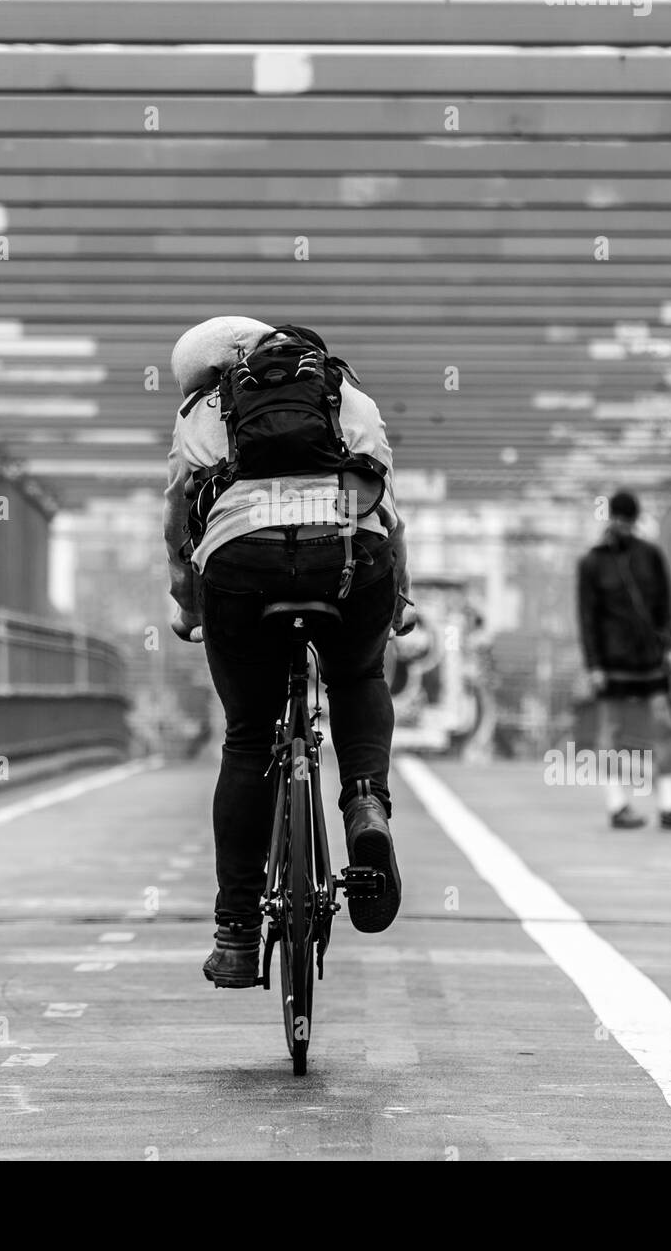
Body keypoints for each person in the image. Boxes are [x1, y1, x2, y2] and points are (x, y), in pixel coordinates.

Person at [163, 317, 415, 987]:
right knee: (358, 673)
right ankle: (364, 802)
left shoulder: (201, 411)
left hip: (241, 565)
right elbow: (387, 508)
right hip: (347, 557)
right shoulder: (345, 395)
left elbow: (178, 524)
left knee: (249, 737)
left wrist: (189, 605)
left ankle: (239, 935)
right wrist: (401, 602)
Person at [576, 489, 671, 830]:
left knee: (664, 726)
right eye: (618, 519)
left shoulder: (651, 556)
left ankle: (670, 804)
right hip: (612, 661)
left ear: (633, 520)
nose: (622, 525)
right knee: (612, 733)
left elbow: (665, 604)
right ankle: (618, 805)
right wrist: (594, 666)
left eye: (626, 519)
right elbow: (587, 617)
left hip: (651, 658)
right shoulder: (592, 562)